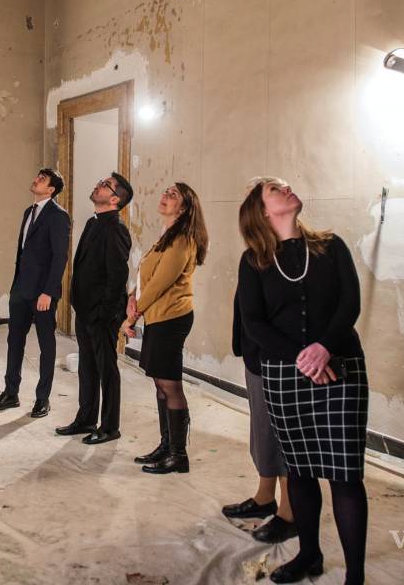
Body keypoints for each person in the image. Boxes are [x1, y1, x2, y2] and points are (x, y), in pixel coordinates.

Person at [237, 176, 368, 584]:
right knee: (301, 471)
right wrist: (302, 356)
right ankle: (309, 555)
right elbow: (254, 323)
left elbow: (350, 303)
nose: (286, 189)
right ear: (262, 211)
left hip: (341, 368)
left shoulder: (330, 245)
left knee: (345, 475)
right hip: (285, 372)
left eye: (285, 185)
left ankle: (356, 576)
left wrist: (324, 347)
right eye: (275, 189)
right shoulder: (254, 260)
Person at [122, 182, 208, 474]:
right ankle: (166, 445)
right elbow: (146, 274)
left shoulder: (183, 239)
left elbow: (161, 282)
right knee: (160, 382)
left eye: (173, 195)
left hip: (172, 318)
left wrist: (133, 316)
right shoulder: (166, 235)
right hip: (158, 316)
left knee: (170, 383)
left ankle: (178, 455)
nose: (165, 197)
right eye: (166, 192)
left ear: (184, 208)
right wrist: (132, 297)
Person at [0, 169, 71, 418]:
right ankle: (10, 392)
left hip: (43, 294)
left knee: (46, 344)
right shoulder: (28, 212)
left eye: (42, 179)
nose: (36, 180)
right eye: (37, 176)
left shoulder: (59, 216)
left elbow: (60, 257)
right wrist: (16, 287)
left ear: (51, 189)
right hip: (21, 290)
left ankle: (42, 398)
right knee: (14, 341)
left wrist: (48, 292)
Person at [56, 172, 132, 445]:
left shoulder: (116, 228)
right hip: (85, 310)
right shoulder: (93, 222)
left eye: (105, 185)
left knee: (106, 368)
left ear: (114, 199)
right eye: (100, 181)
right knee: (87, 367)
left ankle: (110, 426)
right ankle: (86, 418)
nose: (98, 184)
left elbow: (117, 277)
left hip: (101, 315)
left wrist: (105, 314)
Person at [225, 291, 297, 543]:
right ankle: (265, 497)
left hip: (279, 356)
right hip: (256, 352)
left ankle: (289, 513)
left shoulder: (293, 257)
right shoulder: (259, 255)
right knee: (263, 432)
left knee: (281, 435)